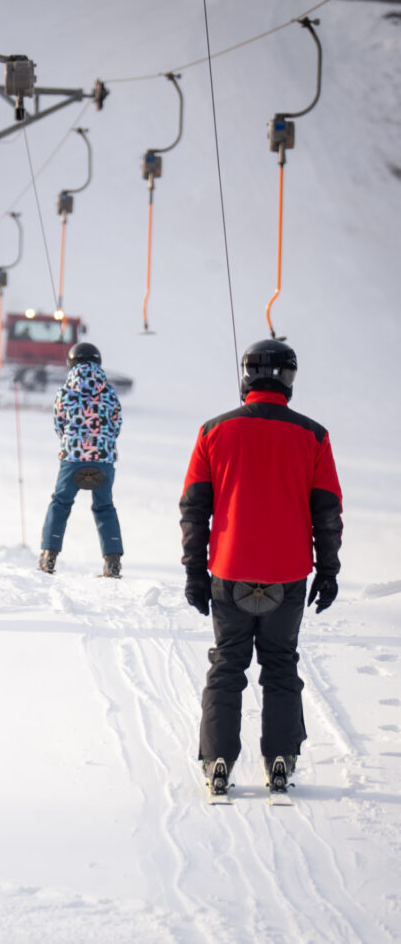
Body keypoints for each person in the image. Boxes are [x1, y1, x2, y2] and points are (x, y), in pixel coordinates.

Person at [179, 339, 343, 795]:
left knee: (227, 666)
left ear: (246, 375)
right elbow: (327, 510)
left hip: (229, 572)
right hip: (288, 574)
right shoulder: (314, 436)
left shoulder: (214, 431)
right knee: (280, 664)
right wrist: (328, 570)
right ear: (288, 379)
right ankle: (281, 760)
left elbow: (194, 508)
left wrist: (194, 571)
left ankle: (216, 761)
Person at [39, 342, 124, 577]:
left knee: (60, 503)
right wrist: (103, 443)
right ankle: (113, 561)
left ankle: (49, 556)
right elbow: (116, 424)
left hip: (73, 458)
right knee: (104, 506)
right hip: (103, 460)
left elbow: (59, 424)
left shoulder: (65, 391)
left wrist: (71, 443)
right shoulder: (109, 391)